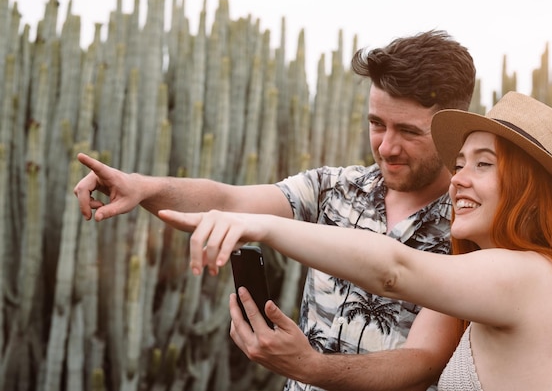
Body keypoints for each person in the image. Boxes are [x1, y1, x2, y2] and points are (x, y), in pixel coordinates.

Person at [74, 29, 476, 390]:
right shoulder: (333, 187)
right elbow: (230, 201)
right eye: (376, 124)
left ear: (451, 130)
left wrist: (309, 367)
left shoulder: (469, 227)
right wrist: (143, 187)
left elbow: (423, 363)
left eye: (407, 131)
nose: (386, 147)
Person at [159, 91, 552, 391]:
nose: (459, 179)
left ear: (532, 190)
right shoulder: (512, 275)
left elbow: (394, 270)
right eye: (460, 164)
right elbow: (420, 345)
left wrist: (262, 226)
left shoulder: (528, 274)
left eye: (484, 164)